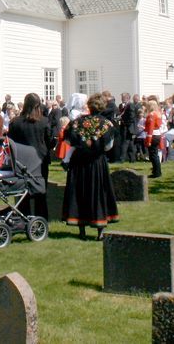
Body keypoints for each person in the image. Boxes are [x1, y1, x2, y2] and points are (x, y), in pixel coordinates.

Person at [62, 92, 120, 240]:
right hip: (96, 162)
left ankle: (81, 230)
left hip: (79, 161)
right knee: (98, 191)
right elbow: (108, 146)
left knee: (79, 191)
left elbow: (68, 141)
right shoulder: (106, 124)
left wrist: (82, 144)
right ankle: (100, 230)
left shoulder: (76, 122)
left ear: (89, 106)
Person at [7, 92, 53, 219]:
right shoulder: (43, 121)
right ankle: (41, 219)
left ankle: (23, 217)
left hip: (21, 160)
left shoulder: (15, 122)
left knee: (22, 192)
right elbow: (49, 141)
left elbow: (11, 142)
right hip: (40, 159)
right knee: (41, 191)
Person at [143, 99, 163, 179]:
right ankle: (156, 171)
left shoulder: (151, 115)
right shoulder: (158, 114)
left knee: (153, 155)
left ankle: (157, 172)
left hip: (153, 135)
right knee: (155, 154)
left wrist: (148, 139)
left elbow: (151, 127)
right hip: (157, 134)